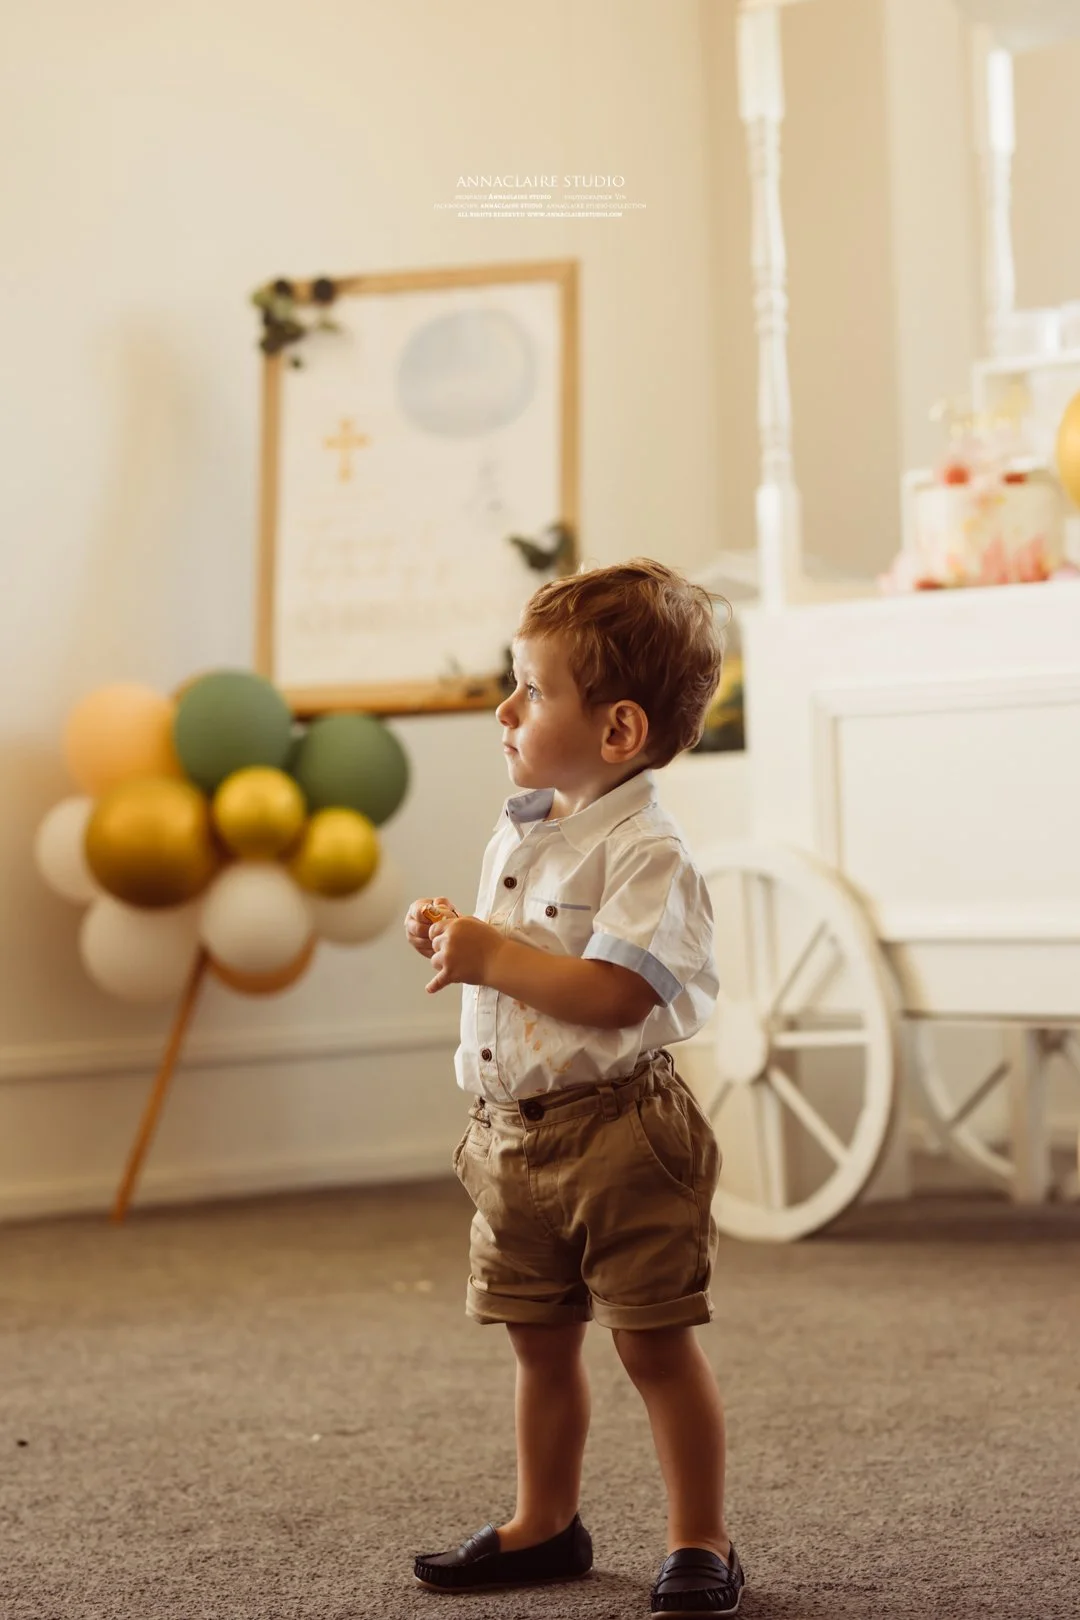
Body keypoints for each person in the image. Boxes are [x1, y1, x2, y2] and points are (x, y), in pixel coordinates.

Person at [403, 558, 745, 1617]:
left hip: (620, 1142)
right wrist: (462, 938)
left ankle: (701, 1541)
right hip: (514, 1140)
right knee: (538, 1342)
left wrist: (491, 957)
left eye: (533, 689)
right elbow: (520, 952)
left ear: (621, 732)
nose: (506, 710)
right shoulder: (529, 822)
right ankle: (545, 1522)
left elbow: (609, 995)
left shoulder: (648, 852)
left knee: (652, 1342)